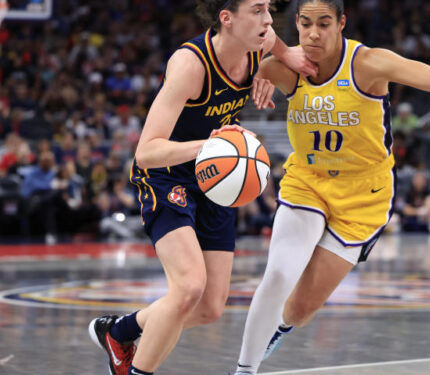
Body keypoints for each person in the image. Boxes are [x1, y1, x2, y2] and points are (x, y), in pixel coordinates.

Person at [233, 1, 430, 373]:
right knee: (279, 273)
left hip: (364, 196)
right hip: (308, 182)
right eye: (305, 24)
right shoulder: (286, 68)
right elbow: (244, 46)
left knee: (300, 309)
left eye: (324, 23)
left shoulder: (369, 64)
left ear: (342, 23)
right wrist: (261, 70)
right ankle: (244, 370)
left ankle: (280, 327)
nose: (314, 33)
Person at [86, 1, 318, 375]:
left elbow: (276, 41)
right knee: (189, 287)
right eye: (257, 10)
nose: (268, 19)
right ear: (226, 18)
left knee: (208, 308)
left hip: (214, 181)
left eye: (269, 9)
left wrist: (279, 59)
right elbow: (145, 152)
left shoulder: (259, 43)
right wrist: (215, 146)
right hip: (167, 175)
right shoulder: (190, 66)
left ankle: (120, 332)